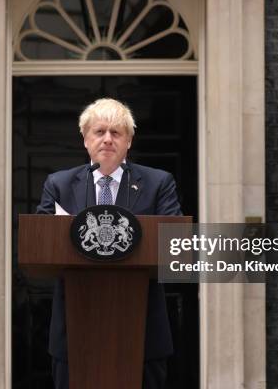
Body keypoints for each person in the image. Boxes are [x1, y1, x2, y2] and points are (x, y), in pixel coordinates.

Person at [36, 98, 182, 389]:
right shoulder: (59, 185)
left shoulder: (158, 182)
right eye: (99, 131)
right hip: (75, 330)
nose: (107, 139)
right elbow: (39, 244)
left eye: (116, 132)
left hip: (142, 331)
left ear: (129, 140)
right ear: (85, 139)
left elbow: (174, 241)